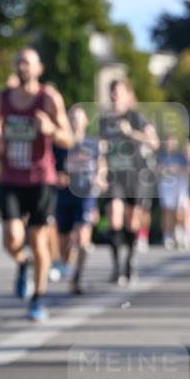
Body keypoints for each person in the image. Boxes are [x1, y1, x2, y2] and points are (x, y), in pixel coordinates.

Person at [0, 47, 72, 320]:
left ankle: (38, 298)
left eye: (27, 62)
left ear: (39, 68)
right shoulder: (1, 98)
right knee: (11, 238)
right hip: (11, 176)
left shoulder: (48, 98)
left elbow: (68, 138)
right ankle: (23, 264)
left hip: (40, 178)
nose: (22, 66)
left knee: (37, 239)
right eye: (19, 62)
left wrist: (52, 130)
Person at [99, 79, 159, 285]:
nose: (115, 96)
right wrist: (100, 171)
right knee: (114, 215)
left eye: (118, 92)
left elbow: (154, 142)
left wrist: (131, 133)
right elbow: (101, 148)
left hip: (135, 174)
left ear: (127, 94)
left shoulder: (137, 117)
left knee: (133, 220)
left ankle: (130, 262)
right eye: (112, 92)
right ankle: (116, 267)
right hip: (115, 174)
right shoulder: (105, 120)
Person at [55, 105, 105, 294]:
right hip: (64, 195)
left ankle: (78, 276)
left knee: (83, 237)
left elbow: (101, 165)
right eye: (72, 118)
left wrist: (100, 177)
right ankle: (67, 265)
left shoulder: (93, 144)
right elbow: (52, 167)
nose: (75, 122)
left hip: (85, 194)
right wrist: (57, 177)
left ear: (85, 122)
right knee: (64, 241)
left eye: (79, 118)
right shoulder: (60, 145)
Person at [157, 133, 190, 249]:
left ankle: (182, 234)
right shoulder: (161, 156)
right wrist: (164, 169)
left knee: (181, 212)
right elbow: (156, 169)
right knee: (168, 211)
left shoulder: (181, 156)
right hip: (166, 187)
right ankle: (168, 235)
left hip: (180, 187)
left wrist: (178, 168)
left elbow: (189, 169)